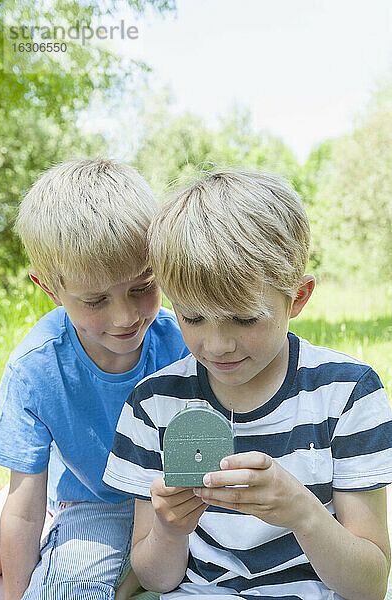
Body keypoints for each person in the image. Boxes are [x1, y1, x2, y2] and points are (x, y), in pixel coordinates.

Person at [103, 169, 392, 600]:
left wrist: (302, 513)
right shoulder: (155, 403)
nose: (217, 345)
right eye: (193, 318)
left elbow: (369, 585)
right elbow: (156, 579)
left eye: (243, 318)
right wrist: (169, 527)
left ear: (297, 298)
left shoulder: (347, 393)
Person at [0, 158, 188, 600]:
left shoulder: (183, 343)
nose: (125, 317)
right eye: (95, 299)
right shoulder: (36, 367)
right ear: (49, 289)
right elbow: (23, 509)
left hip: (167, 499)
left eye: (142, 287)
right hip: (89, 499)